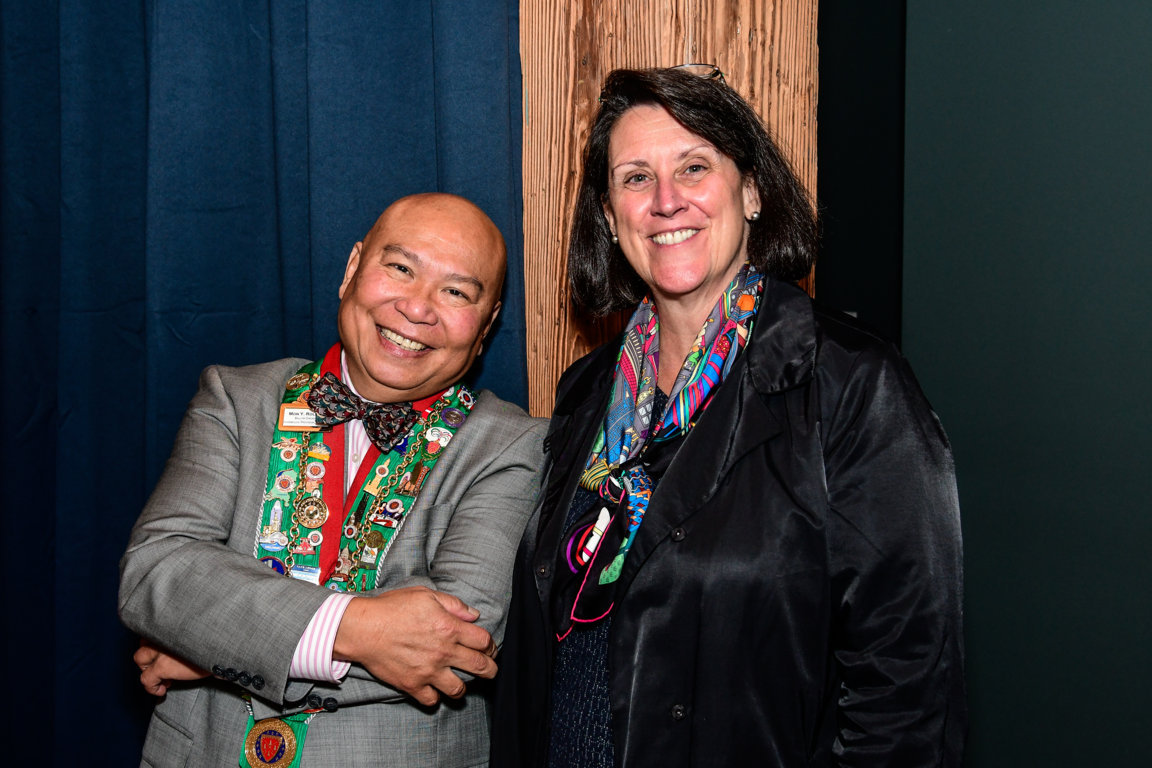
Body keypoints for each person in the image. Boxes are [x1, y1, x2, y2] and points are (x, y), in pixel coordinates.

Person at [490, 66, 966, 766]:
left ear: (751, 192)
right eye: (635, 178)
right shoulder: (587, 390)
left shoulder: (852, 383)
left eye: (694, 167)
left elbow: (907, 686)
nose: (666, 201)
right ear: (609, 217)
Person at [119, 193, 547, 767]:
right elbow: (158, 569)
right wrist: (361, 629)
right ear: (352, 269)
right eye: (401, 268)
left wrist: (211, 644)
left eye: (455, 293)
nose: (417, 307)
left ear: (487, 323)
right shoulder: (235, 399)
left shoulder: (513, 445)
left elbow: (454, 644)